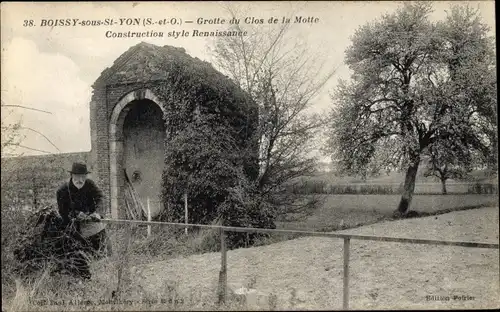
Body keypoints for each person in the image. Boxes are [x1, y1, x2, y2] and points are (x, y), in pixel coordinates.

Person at [56, 161, 111, 279]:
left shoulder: (90, 184)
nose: (80, 180)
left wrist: (98, 213)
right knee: (79, 258)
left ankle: (104, 276)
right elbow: (63, 212)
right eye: (77, 177)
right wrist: (75, 215)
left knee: (105, 252)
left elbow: (101, 198)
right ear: (72, 176)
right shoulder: (62, 191)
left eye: (83, 177)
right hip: (74, 228)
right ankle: (83, 278)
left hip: (92, 223)